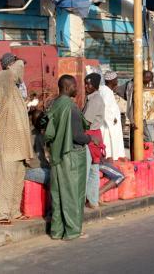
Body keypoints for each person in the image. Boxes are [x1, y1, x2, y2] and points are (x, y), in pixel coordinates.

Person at [45, 75, 98, 240]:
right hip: (71, 155)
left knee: (58, 195)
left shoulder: (54, 105)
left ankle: (57, 230)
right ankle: (73, 231)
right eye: (75, 86)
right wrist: (91, 138)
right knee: (73, 195)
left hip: (56, 155)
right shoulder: (71, 108)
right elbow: (77, 136)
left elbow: (47, 130)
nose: (77, 89)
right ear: (68, 88)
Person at [0, 53, 34, 225]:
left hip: (19, 142)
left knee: (18, 179)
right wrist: (19, 61)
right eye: (17, 64)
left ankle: (14, 211)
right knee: (6, 179)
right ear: (10, 65)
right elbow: (16, 70)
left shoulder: (13, 88)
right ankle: (1, 214)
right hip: (8, 140)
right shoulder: (3, 78)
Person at [83, 73, 103, 209]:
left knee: (86, 170)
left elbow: (86, 122)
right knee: (93, 170)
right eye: (85, 83)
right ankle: (93, 200)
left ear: (94, 85)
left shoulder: (94, 100)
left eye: (88, 84)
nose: (86, 86)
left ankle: (83, 199)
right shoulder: (93, 98)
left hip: (90, 136)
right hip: (96, 136)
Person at [123, 70, 154, 158]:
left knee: (141, 139)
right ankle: (137, 159)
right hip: (135, 118)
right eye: (149, 78)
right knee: (142, 139)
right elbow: (130, 104)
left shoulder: (142, 85)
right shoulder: (133, 85)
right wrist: (132, 120)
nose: (150, 81)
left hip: (142, 117)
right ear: (143, 77)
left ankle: (141, 158)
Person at [99, 71, 125, 161]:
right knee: (109, 142)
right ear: (111, 80)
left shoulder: (106, 90)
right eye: (116, 79)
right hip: (108, 124)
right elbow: (105, 107)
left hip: (109, 123)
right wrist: (112, 119)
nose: (117, 81)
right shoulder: (106, 92)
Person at [25, 109, 50, 185]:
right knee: (56, 178)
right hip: (33, 170)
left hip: (33, 169)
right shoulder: (37, 134)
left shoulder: (31, 131)